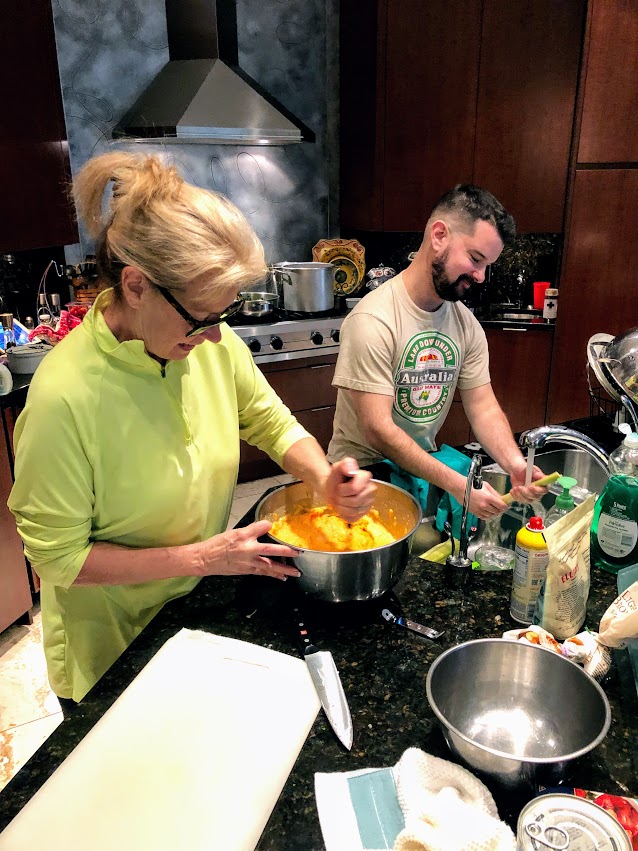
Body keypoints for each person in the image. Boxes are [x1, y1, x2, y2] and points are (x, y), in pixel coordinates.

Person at [8, 152, 375, 706]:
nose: (213, 338)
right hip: (113, 649)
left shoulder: (210, 342)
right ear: (135, 286)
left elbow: (270, 421)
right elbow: (57, 560)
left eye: (223, 318)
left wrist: (325, 480)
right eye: (200, 319)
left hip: (195, 607)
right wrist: (206, 558)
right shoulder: (64, 398)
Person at [327, 184, 546, 520]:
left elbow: (483, 407)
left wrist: (515, 464)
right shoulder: (374, 319)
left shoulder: (465, 324)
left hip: (420, 469)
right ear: (439, 235)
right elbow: (379, 430)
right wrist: (459, 484)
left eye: (487, 265)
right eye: (475, 259)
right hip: (362, 480)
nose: (481, 276)